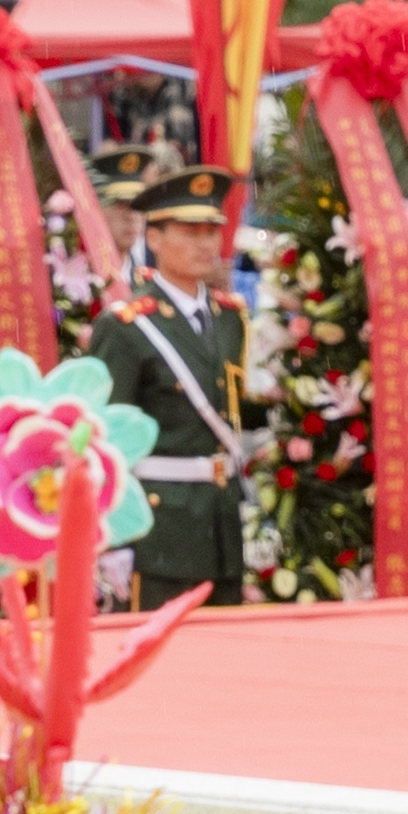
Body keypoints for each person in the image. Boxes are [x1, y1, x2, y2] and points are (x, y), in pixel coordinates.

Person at [89, 170, 255, 605]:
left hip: (222, 526)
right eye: (190, 232)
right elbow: (107, 438)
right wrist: (113, 538)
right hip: (158, 529)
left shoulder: (229, 317)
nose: (205, 244)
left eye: (211, 232)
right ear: (155, 238)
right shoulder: (126, 325)